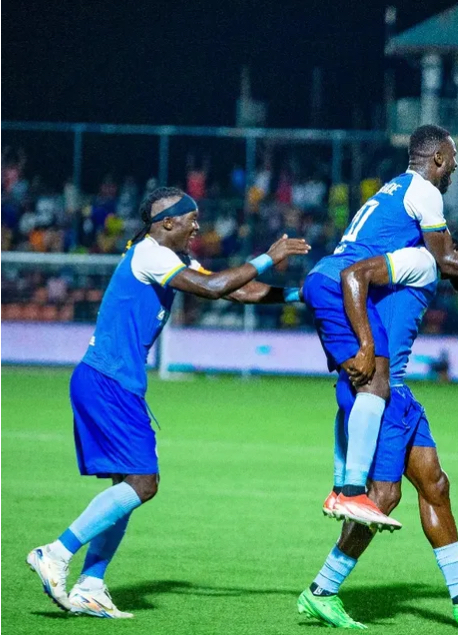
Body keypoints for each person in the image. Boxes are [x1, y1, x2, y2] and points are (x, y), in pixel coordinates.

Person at [26, 187, 310, 618]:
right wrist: (269, 256)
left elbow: (238, 291)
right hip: (108, 382)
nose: (198, 226)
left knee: (127, 485)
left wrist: (299, 295)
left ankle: (91, 585)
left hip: (110, 381)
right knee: (143, 483)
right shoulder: (151, 254)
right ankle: (56, 552)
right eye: (191, 219)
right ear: (167, 222)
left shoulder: (171, 257)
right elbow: (213, 287)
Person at [302, 124, 458, 531]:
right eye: (453, 160)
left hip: (328, 278)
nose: (455, 168)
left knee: (364, 395)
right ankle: (350, 492)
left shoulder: (396, 189)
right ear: (438, 158)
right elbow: (445, 259)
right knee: (376, 382)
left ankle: (342, 488)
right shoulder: (426, 195)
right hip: (342, 284)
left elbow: (444, 248)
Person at [298, 224, 458, 629]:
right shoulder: (419, 260)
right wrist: (365, 347)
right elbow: (358, 273)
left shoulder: (428, 259)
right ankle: (322, 590)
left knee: (435, 485)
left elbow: (439, 241)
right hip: (381, 394)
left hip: (400, 396)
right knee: (382, 498)